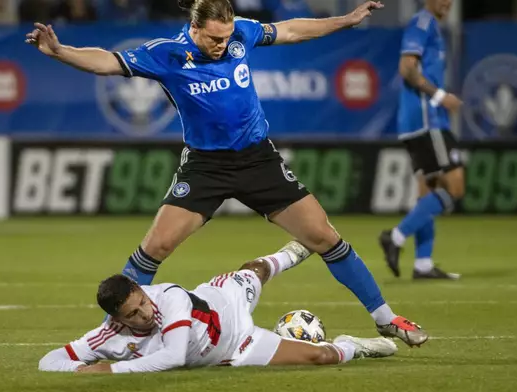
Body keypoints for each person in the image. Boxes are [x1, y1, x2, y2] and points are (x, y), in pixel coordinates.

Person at [25, 0, 428, 346]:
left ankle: (385, 318)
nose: (223, 45)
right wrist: (61, 51)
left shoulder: (240, 35)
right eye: (214, 38)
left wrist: (345, 19)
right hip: (206, 166)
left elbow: (290, 30)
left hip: (258, 161)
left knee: (324, 237)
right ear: (194, 28)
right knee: (155, 248)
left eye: (227, 37)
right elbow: (107, 62)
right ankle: (107, 335)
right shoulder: (166, 53)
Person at [38, 241, 398, 373]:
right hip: (237, 347)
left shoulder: (170, 298)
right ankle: (355, 346)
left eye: (143, 302)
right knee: (319, 358)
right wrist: (76, 370)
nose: (146, 313)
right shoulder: (109, 335)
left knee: (253, 271)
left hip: (222, 300)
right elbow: (49, 361)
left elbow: (174, 357)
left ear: (144, 292)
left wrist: (108, 372)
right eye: (133, 314)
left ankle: (288, 254)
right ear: (117, 319)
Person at [379, 0, 462, 280]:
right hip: (428, 120)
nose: (448, 2)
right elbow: (407, 67)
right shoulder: (422, 23)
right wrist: (439, 96)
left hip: (416, 122)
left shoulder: (432, 26)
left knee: (429, 189)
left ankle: (423, 265)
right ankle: (396, 236)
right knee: (454, 187)